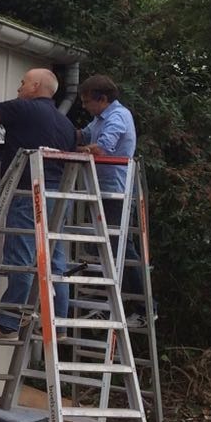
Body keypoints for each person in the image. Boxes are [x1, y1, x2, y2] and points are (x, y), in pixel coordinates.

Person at [0, 68, 77, 338]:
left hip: (28, 194)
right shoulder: (65, 124)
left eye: (23, 83)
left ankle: (8, 323)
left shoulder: (25, 109)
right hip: (59, 196)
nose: (19, 88)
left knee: (20, 259)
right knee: (55, 261)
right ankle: (57, 325)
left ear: (35, 86)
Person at [76, 74, 144, 315]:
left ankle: (143, 307)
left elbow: (102, 148)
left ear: (102, 99)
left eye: (86, 102)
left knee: (119, 247)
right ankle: (107, 290)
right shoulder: (99, 118)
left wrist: (82, 150)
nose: (84, 107)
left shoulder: (117, 117)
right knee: (104, 244)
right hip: (101, 187)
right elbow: (84, 135)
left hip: (115, 190)